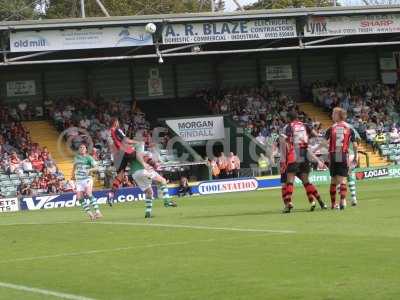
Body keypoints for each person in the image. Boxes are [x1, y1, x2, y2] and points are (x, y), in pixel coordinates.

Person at [281, 111, 326, 213]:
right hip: (305, 155)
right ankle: (321, 202)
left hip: (294, 155)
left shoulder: (288, 127)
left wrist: (284, 160)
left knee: (289, 182)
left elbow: (284, 142)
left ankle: (288, 204)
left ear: (288, 118)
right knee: (306, 182)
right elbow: (316, 135)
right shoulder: (305, 125)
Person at [325, 107, 358, 210]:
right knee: (343, 179)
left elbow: (324, 142)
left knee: (334, 180)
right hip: (343, 154)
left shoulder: (332, 128)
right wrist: (356, 156)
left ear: (338, 115)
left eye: (333, 114)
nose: (332, 115)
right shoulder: (349, 128)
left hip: (334, 154)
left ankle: (333, 204)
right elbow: (355, 145)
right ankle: (343, 201)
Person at [129, 152, 177, 218]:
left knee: (149, 192)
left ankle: (148, 213)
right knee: (163, 181)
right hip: (143, 170)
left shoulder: (130, 154)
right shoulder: (143, 151)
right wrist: (155, 165)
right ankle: (167, 201)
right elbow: (148, 159)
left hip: (134, 174)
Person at [107, 118, 139, 206]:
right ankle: (154, 166)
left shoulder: (109, 132)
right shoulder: (117, 129)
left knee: (120, 176)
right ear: (115, 122)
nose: (118, 123)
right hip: (125, 151)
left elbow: (113, 144)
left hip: (117, 155)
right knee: (140, 157)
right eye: (117, 121)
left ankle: (111, 193)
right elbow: (125, 140)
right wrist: (136, 142)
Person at [72, 143, 101, 220]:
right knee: (79, 198)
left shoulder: (89, 158)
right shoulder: (76, 158)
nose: (82, 149)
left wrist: (89, 169)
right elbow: (74, 167)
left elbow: (97, 168)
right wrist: (72, 176)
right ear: (79, 149)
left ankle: (98, 212)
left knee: (88, 194)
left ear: (86, 149)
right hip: (78, 180)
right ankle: (90, 213)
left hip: (87, 178)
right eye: (80, 147)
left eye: (83, 147)